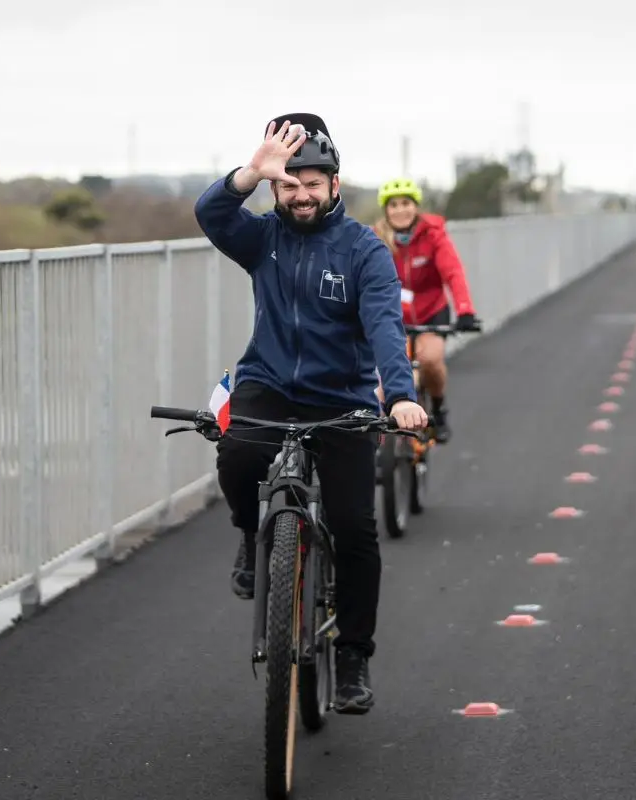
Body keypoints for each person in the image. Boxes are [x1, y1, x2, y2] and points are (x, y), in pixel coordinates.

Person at [193, 113, 425, 715]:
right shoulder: (262, 237)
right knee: (238, 452)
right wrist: (249, 173)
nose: (300, 196)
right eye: (288, 186)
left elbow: (383, 323)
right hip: (267, 384)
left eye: (311, 184)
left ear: (335, 185)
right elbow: (211, 216)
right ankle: (251, 534)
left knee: (354, 528)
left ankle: (352, 656)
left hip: (343, 398)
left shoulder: (363, 250)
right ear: (277, 191)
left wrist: (399, 395)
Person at [372, 178, 477, 443]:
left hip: (432, 312)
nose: (400, 210)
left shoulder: (433, 234)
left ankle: (439, 409)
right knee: (386, 382)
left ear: (416, 207)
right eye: (393, 205)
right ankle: (381, 443)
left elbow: (453, 273)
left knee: (430, 359)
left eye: (406, 203)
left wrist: (465, 310)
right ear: (386, 209)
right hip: (393, 319)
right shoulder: (375, 239)